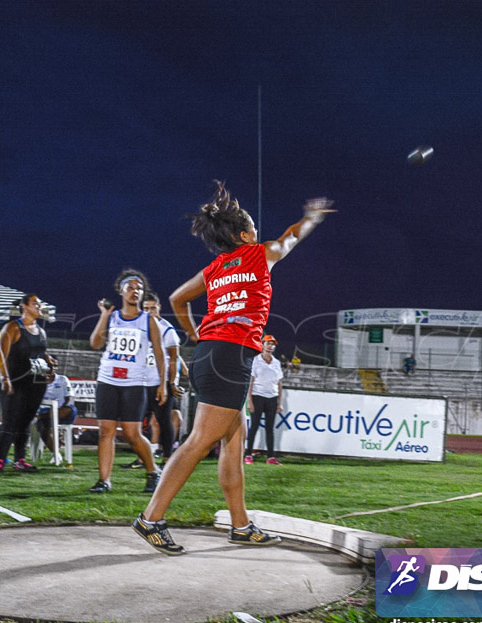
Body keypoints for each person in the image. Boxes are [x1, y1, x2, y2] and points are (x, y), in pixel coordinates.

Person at [133, 181, 333, 555]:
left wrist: (195, 334)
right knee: (199, 440)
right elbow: (290, 238)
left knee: (234, 440)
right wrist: (312, 218)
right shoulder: (259, 254)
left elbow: (177, 298)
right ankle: (151, 518)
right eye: (254, 228)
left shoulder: (215, 268)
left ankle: (241, 526)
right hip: (230, 355)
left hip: (213, 351)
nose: (258, 233)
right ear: (244, 235)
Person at [88, 269, 165, 493]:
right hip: (108, 379)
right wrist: (104, 314)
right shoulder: (111, 317)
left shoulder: (148, 320)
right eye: (130, 287)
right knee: (106, 431)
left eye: (139, 288)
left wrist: (162, 385)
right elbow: (94, 343)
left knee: (131, 433)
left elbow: (160, 354)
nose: (135, 291)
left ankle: (153, 471)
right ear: (121, 291)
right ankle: (104, 481)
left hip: (134, 382)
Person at [122, 291, 183, 470]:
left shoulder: (167, 330)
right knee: (138, 420)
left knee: (164, 420)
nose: (150, 312)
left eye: (153, 308)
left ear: (159, 308)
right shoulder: (137, 327)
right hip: (139, 381)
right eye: (146, 308)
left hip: (159, 382)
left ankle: (167, 459)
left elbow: (174, 358)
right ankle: (143, 458)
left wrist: (171, 383)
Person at [0, 293, 53, 473]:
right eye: (35, 303)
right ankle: (0, 460)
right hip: (14, 381)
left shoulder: (41, 332)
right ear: (24, 306)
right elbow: (0, 354)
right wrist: (5, 378)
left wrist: (50, 366)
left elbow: (41, 355)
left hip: (35, 383)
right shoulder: (13, 327)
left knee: (26, 421)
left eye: (40, 304)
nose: (39, 307)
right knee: (10, 421)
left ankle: (20, 459)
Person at [245, 334, 283, 465]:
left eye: (272, 344)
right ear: (262, 345)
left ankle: (271, 457)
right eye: (268, 343)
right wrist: (249, 400)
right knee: (254, 426)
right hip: (257, 396)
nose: (270, 346)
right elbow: (250, 381)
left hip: (272, 397)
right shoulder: (255, 360)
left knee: (269, 429)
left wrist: (280, 402)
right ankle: (248, 454)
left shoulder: (276, 363)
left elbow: (279, 383)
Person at [35, 357, 76, 452]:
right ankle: (56, 454)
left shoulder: (63, 379)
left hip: (60, 412)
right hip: (43, 411)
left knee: (71, 409)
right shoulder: (37, 380)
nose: (52, 368)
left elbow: (69, 398)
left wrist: (56, 410)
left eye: (55, 366)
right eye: (50, 366)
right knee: (42, 426)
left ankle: (43, 417)